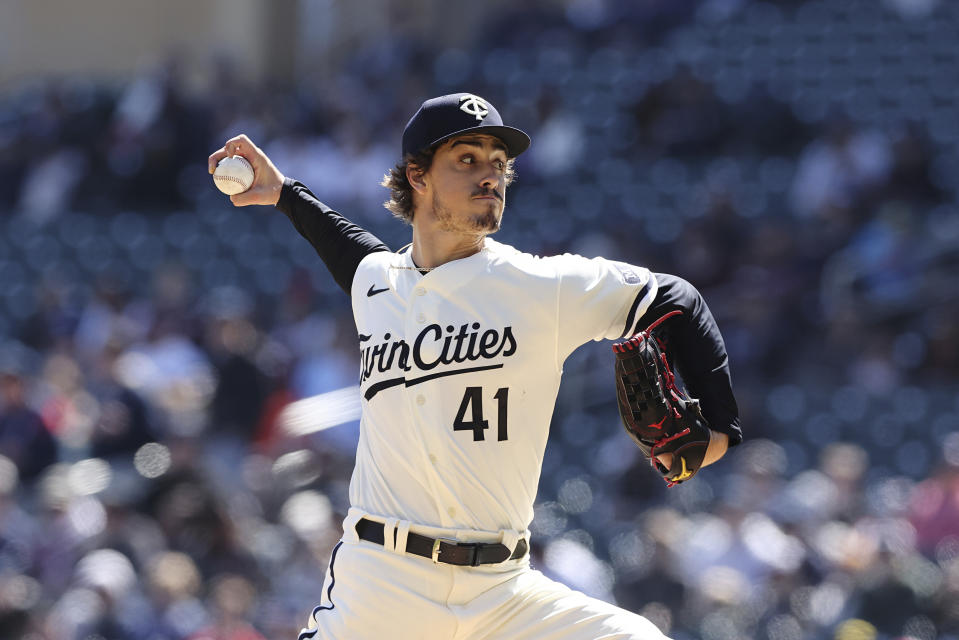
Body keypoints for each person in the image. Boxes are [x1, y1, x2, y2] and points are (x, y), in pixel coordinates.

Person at [208, 93, 742, 639]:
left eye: (498, 163)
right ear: (417, 176)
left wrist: (722, 427)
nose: (490, 176)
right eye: (467, 159)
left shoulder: (541, 286)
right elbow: (347, 249)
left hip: (503, 592)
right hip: (382, 586)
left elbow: (677, 298)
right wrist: (285, 195)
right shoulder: (379, 283)